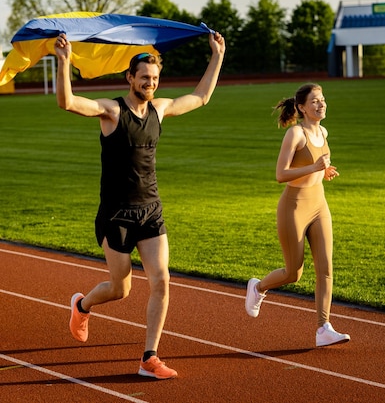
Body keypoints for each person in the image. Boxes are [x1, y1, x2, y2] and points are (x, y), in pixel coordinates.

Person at [54, 31, 225, 379]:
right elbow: (68, 102)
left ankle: (150, 357)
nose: (150, 83)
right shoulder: (112, 112)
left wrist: (217, 55)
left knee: (161, 280)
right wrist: (63, 62)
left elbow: (201, 97)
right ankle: (82, 305)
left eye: (155, 78)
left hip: (150, 209)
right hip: (115, 215)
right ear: (130, 77)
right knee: (121, 289)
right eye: (144, 77)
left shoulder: (160, 110)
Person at [244, 83, 350, 347]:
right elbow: (280, 175)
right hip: (294, 207)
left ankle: (323, 328)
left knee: (326, 267)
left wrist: (323, 171)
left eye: (323, 99)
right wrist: (313, 166)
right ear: (302, 107)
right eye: (314, 101)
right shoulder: (295, 134)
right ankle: (258, 287)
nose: (321, 104)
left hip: (319, 205)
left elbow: (315, 166)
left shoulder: (323, 131)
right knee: (294, 273)